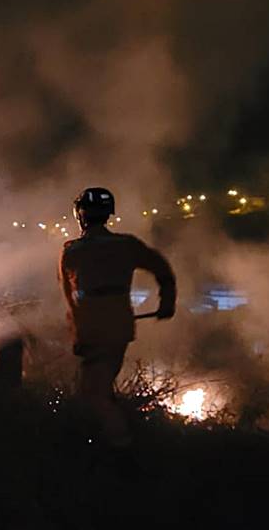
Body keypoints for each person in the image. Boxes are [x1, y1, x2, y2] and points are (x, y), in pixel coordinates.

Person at [59, 187, 176, 448]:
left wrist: (77, 334)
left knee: (93, 393)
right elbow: (162, 269)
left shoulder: (71, 252)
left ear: (80, 215)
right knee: (98, 390)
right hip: (118, 328)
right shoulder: (126, 245)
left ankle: (121, 450)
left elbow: (70, 300)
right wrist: (167, 302)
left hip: (92, 330)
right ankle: (107, 442)